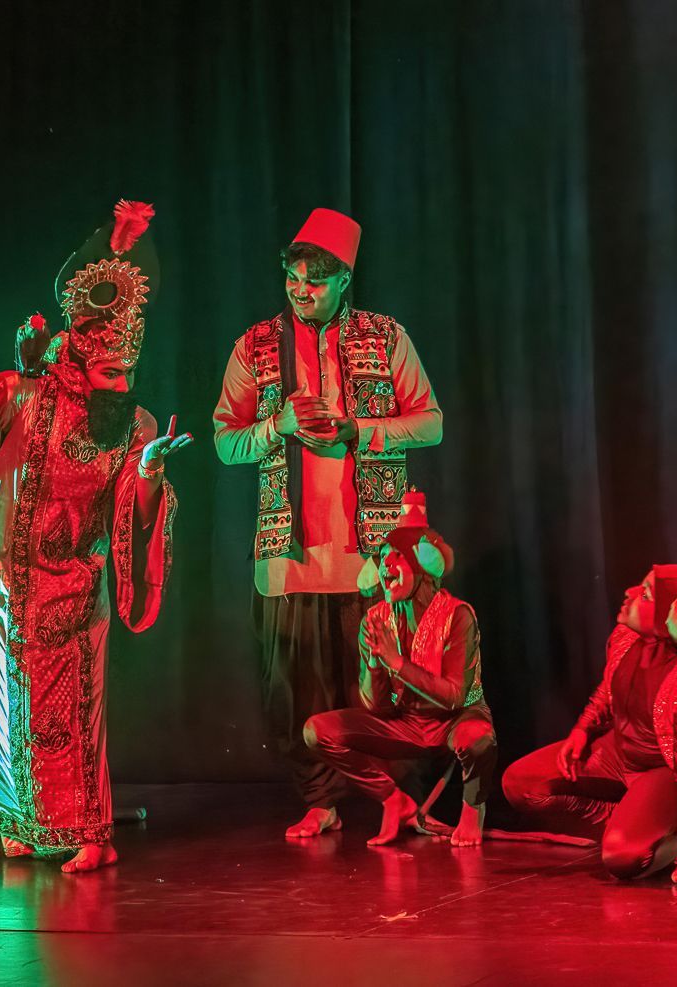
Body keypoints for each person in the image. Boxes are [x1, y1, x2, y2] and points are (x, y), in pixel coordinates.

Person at [0, 200, 187, 873]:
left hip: (75, 581)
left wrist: (150, 472)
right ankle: (22, 820)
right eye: (110, 375)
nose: (122, 386)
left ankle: (92, 834)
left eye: (128, 374)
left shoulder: (135, 424)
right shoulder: (23, 395)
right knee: (3, 705)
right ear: (79, 364)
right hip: (1, 576)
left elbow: (132, 510)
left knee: (74, 713)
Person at [212, 208, 443, 839]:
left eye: (315, 281)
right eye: (292, 279)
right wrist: (277, 426)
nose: (300, 291)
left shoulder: (384, 337)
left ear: (344, 279)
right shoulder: (255, 345)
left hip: (373, 555)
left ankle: (402, 800)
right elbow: (225, 442)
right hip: (290, 556)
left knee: (385, 687)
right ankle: (320, 801)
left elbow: (431, 423)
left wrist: (357, 430)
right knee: (295, 692)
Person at [503, 550, 677, 887]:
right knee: (521, 785)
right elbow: (609, 688)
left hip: (663, 772)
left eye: (645, 594)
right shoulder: (626, 638)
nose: (630, 592)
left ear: (670, 617)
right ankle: (632, 822)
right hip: (618, 757)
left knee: (621, 859)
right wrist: (582, 729)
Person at [303, 491, 495, 847]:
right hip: (406, 723)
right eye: (383, 558)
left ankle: (473, 810)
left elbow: (455, 696)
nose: (385, 566)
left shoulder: (458, 615)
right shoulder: (375, 619)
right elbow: (377, 708)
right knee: (318, 731)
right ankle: (394, 800)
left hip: (454, 721)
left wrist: (396, 663)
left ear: (422, 567)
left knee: (478, 738)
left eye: (397, 557)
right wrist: (375, 663)